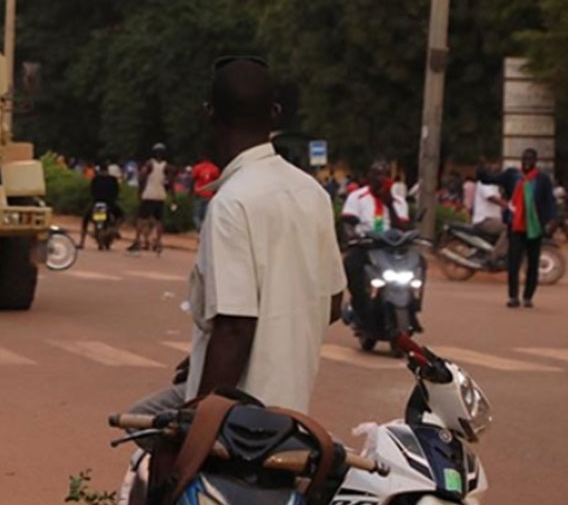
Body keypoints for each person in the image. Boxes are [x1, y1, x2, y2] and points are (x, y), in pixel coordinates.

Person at [129, 58, 345, 416]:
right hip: (292, 406)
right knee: (144, 415)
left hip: (236, 418)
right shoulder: (313, 193)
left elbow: (235, 328)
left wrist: (197, 419)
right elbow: (333, 302)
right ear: (275, 113)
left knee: (143, 428)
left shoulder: (231, 203)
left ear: (209, 113)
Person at [478, 149, 559, 308]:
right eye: (525, 159)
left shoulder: (542, 179)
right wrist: (481, 169)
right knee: (513, 262)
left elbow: (549, 201)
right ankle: (513, 297)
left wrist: (552, 220)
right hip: (515, 225)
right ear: (521, 160)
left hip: (535, 227)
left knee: (533, 263)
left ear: (535, 161)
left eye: (530, 159)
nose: (527, 161)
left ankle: (528, 297)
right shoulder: (511, 175)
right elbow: (489, 179)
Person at [340, 161, 410, 322]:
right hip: (366, 246)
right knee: (351, 264)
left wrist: (389, 203)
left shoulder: (398, 201)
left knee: (419, 263)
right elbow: (347, 222)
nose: (380, 179)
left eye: (384, 175)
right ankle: (360, 306)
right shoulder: (357, 197)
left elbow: (401, 227)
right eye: (376, 174)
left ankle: (412, 301)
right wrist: (353, 238)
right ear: (368, 177)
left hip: (391, 248)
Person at [129, 144, 172, 252]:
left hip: (149, 194)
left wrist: (140, 191)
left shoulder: (149, 164)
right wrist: (172, 196)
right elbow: (170, 182)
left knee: (141, 219)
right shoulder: (167, 166)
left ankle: (137, 240)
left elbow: (142, 177)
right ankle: (158, 242)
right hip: (160, 195)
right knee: (159, 220)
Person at [78, 163, 123, 248]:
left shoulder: (95, 179)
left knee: (85, 220)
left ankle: (81, 242)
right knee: (121, 216)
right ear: (107, 170)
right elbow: (116, 192)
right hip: (110, 205)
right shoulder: (113, 179)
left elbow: (92, 191)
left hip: (96, 203)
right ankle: (115, 229)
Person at [471, 179, 506, 262]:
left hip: (493, 220)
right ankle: (494, 257)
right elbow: (491, 198)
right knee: (509, 228)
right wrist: (506, 205)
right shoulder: (484, 183)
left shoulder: (495, 186)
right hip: (484, 221)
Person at [190, 157, 220, 232]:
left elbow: (193, 180)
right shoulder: (214, 168)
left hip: (199, 194)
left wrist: (190, 192)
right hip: (209, 195)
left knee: (196, 216)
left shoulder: (198, 167)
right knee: (206, 216)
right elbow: (216, 182)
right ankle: (203, 231)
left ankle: (199, 228)